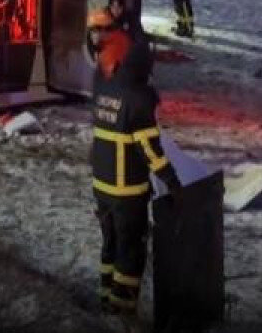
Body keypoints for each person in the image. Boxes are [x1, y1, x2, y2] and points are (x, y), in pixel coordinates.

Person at [89, 23, 180, 318]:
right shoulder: (139, 99)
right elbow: (150, 149)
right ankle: (122, 312)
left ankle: (105, 300)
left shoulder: (104, 88)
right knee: (130, 252)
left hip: (101, 186)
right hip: (126, 191)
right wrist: (171, 180)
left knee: (110, 245)